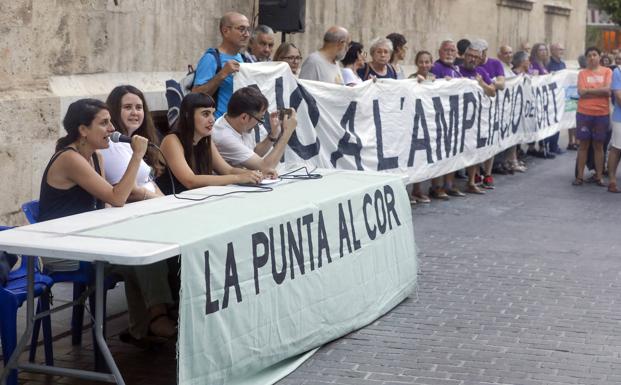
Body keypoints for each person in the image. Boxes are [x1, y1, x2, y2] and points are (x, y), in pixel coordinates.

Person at [38, 99, 176, 342]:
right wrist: (137, 156)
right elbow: (117, 197)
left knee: (147, 250)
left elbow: (106, 204)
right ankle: (155, 320)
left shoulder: (95, 157)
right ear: (83, 130)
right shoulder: (69, 159)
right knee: (140, 256)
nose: (112, 128)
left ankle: (144, 327)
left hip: (89, 240)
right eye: (104, 123)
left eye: (111, 121)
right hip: (63, 249)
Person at [156, 93, 263, 195]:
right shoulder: (172, 140)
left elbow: (227, 170)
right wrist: (239, 178)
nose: (212, 119)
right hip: (168, 204)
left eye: (213, 113)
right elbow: (190, 181)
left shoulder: (205, 139)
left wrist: (255, 175)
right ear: (188, 115)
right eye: (205, 114)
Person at [101, 85, 164, 201]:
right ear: (114, 111)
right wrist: (165, 202)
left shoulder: (129, 143)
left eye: (139, 107)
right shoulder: (111, 145)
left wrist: (168, 201)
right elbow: (131, 192)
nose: (135, 112)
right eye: (128, 107)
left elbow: (149, 182)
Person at [212, 86, 296, 171]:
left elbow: (253, 154)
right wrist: (287, 133)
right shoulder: (225, 137)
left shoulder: (236, 122)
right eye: (260, 118)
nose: (258, 123)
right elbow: (267, 168)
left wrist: (274, 134)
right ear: (244, 117)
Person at [192, 12, 251, 118]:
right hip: (217, 125)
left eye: (248, 30)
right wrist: (222, 74)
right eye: (241, 29)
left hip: (240, 127)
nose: (246, 34)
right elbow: (195, 95)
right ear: (226, 31)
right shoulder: (211, 58)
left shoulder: (244, 59)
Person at [428, 39, 464, 199]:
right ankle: (436, 186)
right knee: (438, 151)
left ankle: (449, 183)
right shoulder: (436, 67)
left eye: (452, 51)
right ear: (440, 52)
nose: (449, 53)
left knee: (452, 150)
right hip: (440, 116)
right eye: (446, 50)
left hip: (454, 116)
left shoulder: (456, 69)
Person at [459, 43, 496, 194]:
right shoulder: (457, 70)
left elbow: (492, 92)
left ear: (480, 59)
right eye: (470, 56)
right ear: (464, 56)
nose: (472, 59)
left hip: (474, 119)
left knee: (473, 148)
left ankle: (471, 181)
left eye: (476, 57)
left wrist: (481, 84)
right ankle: (446, 185)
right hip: (458, 118)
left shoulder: (481, 72)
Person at [574, 47, 612, 187]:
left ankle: (599, 176)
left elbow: (608, 90)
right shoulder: (582, 73)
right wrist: (599, 90)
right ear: (586, 58)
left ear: (599, 56)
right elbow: (580, 92)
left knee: (599, 146)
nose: (592, 57)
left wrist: (588, 90)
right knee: (583, 145)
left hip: (601, 114)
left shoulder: (607, 71)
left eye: (595, 54)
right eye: (589, 55)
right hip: (584, 113)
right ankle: (579, 177)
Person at [475, 39, 505, 187]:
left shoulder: (495, 64)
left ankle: (487, 173)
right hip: (476, 109)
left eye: (479, 53)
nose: (477, 57)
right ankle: (475, 173)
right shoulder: (472, 66)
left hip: (492, 107)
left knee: (490, 140)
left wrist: (489, 82)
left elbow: (502, 84)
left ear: (485, 52)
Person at [408, 50, 435, 204]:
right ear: (416, 63)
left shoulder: (434, 79)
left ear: (431, 63)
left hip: (430, 122)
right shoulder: (411, 79)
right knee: (414, 157)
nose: (424, 65)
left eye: (427, 62)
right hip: (415, 122)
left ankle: (419, 190)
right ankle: (411, 190)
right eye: (421, 62)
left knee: (425, 157)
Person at [547, 43, 574, 152]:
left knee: (557, 121)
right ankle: (547, 146)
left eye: (562, 49)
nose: (561, 51)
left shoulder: (562, 64)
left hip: (559, 96)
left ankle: (554, 145)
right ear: (552, 51)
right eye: (559, 49)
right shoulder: (548, 64)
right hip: (550, 96)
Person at [608, 64, 621, 193]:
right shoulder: (618, 72)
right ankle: (612, 180)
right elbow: (618, 97)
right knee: (617, 148)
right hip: (620, 118)